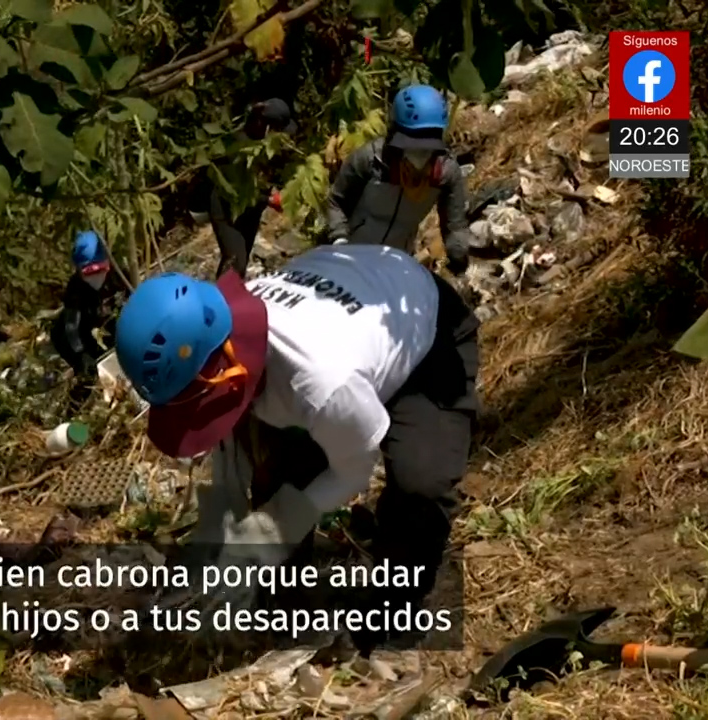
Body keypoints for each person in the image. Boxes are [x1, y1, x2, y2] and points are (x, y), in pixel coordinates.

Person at [113, 243, 479, 656]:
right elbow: (231, 451)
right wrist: (219, 534)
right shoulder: (224, 336)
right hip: (354, 310)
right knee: (277, 474)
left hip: (424, 335)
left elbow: (353, 471)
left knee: (420, 486)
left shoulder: (321, 381)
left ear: (226, 368)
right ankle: (284, 610)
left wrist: (270, 530)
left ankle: (393, 616)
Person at [325, 84, 472, 275]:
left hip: (395, 263)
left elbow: (455, 225)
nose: (420, 153)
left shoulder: (445, 173)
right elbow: (336, 202)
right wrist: (339, 240)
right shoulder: (371, 161)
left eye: (427, 147)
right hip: (352, 255)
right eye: (413, 145)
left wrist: (458, 255)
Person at [186, 98, 295, 280]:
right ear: (263, 125)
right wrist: (269, 200)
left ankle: (231, 293)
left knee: (242, 260)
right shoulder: (236, 147)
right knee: (235, 259)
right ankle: (223, 296)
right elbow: (234, 189)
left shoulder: (267, 145)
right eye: (276, 130)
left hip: (252, 208)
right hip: (226, 206)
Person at [50, 230, 113, 407]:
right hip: (82, 336)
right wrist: (81, 354)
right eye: (88, 272)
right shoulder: (75, 290)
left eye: (99, 270)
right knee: (90, 373)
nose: (95, 277)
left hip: (109, 328)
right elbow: (71, 327)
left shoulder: (117, 277)